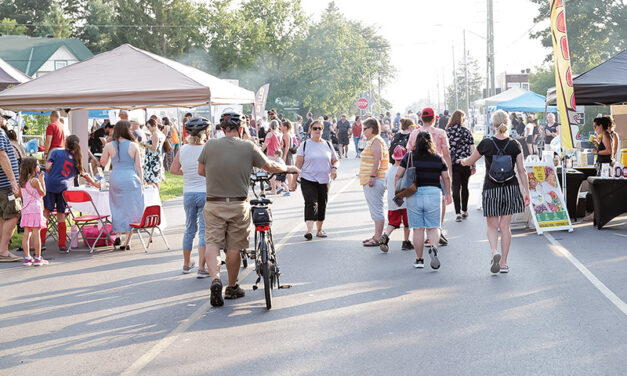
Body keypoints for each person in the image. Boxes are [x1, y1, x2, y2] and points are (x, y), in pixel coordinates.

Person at [197, 112, 298, 307]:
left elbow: (201, 171)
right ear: (241, 128)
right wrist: (288, 169)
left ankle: (215, 279)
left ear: (222, 129)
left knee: (213, 243)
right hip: (237, 203)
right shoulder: (248, 146)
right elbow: (269, 166)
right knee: (234, 247)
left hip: (214, 202)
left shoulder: (209, 145)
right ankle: (232, 286)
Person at [460, 110, 530, 274]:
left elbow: (470, 160)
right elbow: (522, 170)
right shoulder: (515, 144)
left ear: (493, 125)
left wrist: (463, 162)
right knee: (505, 227)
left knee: (492, 226)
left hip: (492, 188)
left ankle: (494, 252)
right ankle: (504, 263)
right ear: (508, 124)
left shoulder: (486, 143)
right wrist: (526, 191)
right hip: (510, 188)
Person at [396, 131, 452, 269]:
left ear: (416, 142)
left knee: (418, 229)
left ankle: (419, 260)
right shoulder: (438, 157)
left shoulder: (409, 156)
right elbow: (446, 177)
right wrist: (448, 193)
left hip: (413, 194)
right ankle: (433, 248)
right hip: (433, 193)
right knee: (434, 227)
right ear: (430, 142)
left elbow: (398, 174)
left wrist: (399, 193)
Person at [40, 135, 101, 253]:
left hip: (51, 185)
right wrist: (95, 184)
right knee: (61, 214)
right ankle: (62, 244)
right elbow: (85, 175)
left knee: (46, 212)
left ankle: (41, 242)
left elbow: (48, 166)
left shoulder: (56, 153)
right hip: (64, 189)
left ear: (65, 143)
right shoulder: (76, 159)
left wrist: (51, 174)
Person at [170, 117, 211, 278]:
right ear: (204, 133)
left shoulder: (183, 149)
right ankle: (202, 267)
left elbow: (173, 169)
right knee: (204, 231)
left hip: (188, 193)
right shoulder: (208, 148)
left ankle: (187, 264)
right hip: (205, 192)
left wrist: (186, 172)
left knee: (189, 229)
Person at [407, 107, 453, 246]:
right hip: (437, 173)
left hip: (418, 175)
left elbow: (408, 153)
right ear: (434, 119)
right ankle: (437, 230)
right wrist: (449, 171)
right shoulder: (440, 133)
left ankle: (424, 235)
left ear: (421, 119)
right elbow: (446, 153)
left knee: (418, 205)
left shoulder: (415, 133)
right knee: (440, 203)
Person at [100, 121, 144, 251]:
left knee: (117, 207)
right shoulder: (134, 146)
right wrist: (141, 182)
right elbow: (138, 167)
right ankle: (127, 241)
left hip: (116, 178)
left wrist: (106, 148)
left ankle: (118, 233)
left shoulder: (109, 145)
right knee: (131, 209)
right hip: (131, 178)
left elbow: (103, 163)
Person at [295, 120, 338, 240]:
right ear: (310, 130)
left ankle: (319, 230)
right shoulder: (304, 145)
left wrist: (334, 168)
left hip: (324, 180)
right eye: (315, 128)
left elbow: (335, 160)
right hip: (307, 178)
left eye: (320, 128)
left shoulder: (328, 145)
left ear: (323, 130)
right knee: (310, 202)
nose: (317, 130)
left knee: (322, 204)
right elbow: (298, 164)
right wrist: (293, 181)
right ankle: (309, 230)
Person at [359, 118, 389, 247]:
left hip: (375, 180)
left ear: (371, 128)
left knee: (376, 209)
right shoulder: (373, 140)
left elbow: (378, 159)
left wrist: (372, 176)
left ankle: (377, 237)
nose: (363, 131)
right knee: (375, 208)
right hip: (372, 179)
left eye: (365, 128)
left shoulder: (376, 140)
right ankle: (376, 235)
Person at [379, 146, 412, 253]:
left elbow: (385, 185)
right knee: (407, 223)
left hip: (392, 200)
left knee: (393, 222)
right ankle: (406, 242)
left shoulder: (388, 171)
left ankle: (385, 236)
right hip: (405, 200)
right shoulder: (406, 170)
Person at [445, 110, 476, 222]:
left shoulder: (447, 132)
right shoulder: (466, 131)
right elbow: (472, 149)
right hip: (466, 162)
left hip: (453, 163)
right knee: (465, 186)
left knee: (455, 187)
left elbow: (445, 150)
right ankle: (464, 210)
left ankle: (457, 213)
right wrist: (474, 164)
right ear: (461, 119)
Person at [0, 111, 21, 262]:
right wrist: (13, 181)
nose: (5, 120)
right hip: (6, 184)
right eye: (4, 117)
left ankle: (2, 249)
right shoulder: (0, 133)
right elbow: (2, 155)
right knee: (13, 214)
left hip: (2, 184)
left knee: (3, 216)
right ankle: (3, 251)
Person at [19, 158, 47, 266]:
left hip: (26, 209)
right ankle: (38, 257)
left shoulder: (22, 181)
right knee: (36, 233)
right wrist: (42, 180)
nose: (39, 166)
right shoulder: (34, 181)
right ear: (33, 168)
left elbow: (19, 194)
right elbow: (43, 193)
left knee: (26, 234)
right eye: (38, 165)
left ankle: (27, 257)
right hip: (35, 209)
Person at [143, 119, 165, 190]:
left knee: (151, 181)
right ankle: (156, 196)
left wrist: (145, 144)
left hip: (152, 159)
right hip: (156, 158)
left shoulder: (155, 134)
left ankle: (154, 196)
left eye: (149, 127)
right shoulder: (161, 134)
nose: (148, 129)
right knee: (155, 180)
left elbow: (154, 147)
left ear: (154, 125)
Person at [280, 120, 297, 190]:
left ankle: (290, 186)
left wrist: (284, 156)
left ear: (285, 127)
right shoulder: (288, 134)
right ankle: (290, 186)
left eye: (282, 126)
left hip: (286, 153)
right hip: (288, 153)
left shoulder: (286, 135)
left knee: (288, 170)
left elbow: (287, 146)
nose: (280, 127)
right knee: (288, 170)